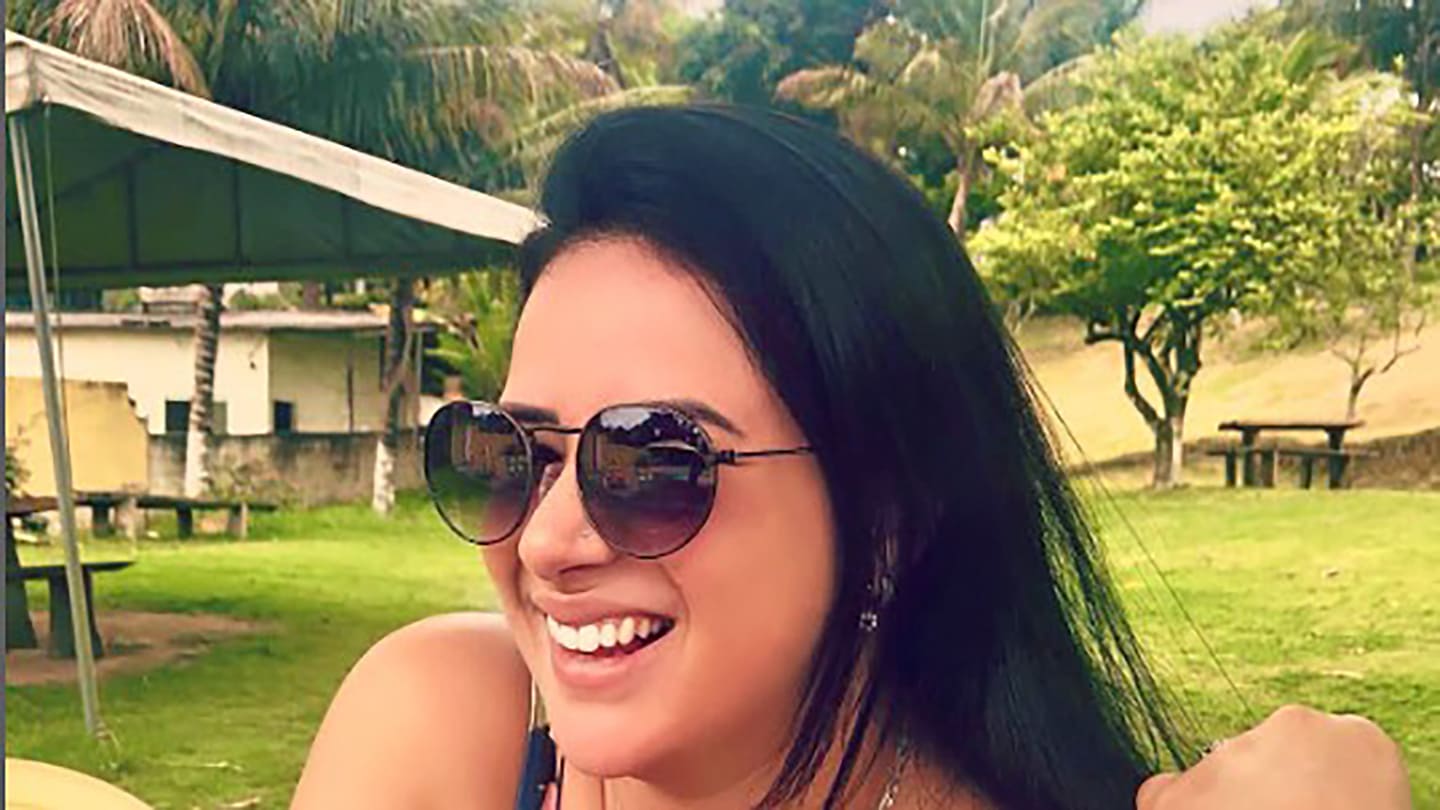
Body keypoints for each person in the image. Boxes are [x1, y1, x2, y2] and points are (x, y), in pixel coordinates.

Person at [291, 105, 1411, 810]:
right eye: (511, 453)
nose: (545, 542)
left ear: (887, 515)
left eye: (653, 463)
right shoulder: (449, 729)